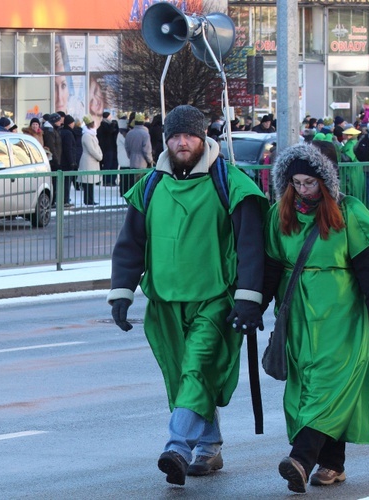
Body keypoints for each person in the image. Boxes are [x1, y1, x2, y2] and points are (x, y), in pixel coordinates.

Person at [108, 104, 267, 487]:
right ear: (166, 140)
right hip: (164, 301)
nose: (182, 142)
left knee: (196, 368)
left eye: (190, 136)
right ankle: (209, 446)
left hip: (214, 298)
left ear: (204, 138)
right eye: (176, 136)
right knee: (184, 376)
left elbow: (250, 245)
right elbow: (130, 244)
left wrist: (248, 298)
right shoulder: (150, 185)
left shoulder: (230, 182)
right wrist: (121, 292)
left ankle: (177, 446)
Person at [262, 143, 369, 494]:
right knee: (305, 390)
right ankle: (332, 464)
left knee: (326, 388)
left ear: (327, 181)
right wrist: (252, 307)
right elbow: (272, 266)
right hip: (298, 318)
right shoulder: (280, 214)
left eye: (311, 182)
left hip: (341, 317)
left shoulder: (349, 212)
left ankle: (301, 460)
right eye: (297, 182)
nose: (303, 190)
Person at [79, 115, 102, 205]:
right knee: (88, 182)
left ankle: (90, 199)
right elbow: (91, 149)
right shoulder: (87, 136)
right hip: (88, 161)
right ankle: (88, 200)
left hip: (93, 161)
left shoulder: (92, 134)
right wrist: (99, 156)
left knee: (91, 182)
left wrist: (100, 154)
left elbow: (97, 147)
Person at [59, 115, 78, 208]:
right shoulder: (68, 133)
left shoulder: (62, 131)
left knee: (63, 183)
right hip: (67, 162)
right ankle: (65, 200)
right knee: (66, 182)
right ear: (70, 123)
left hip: (62, 161)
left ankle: (64, 199)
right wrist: (72, 162)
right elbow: (69, 148)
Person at [97, 111, 119, 186]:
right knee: (109, 165)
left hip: (108, 149)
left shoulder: (101, 128)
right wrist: (113, 125)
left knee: (112, 165)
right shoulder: (105, 127)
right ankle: (108, 180)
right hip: (108, 149)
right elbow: (109, 132)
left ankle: (110, 180)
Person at [116, 116, 133, 196]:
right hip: (125, 159)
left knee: (125, 177)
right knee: (124, 178)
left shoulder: (120, 135)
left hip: (124, 159)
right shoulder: (121, 136)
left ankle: (124, 191)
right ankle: (123, 191)